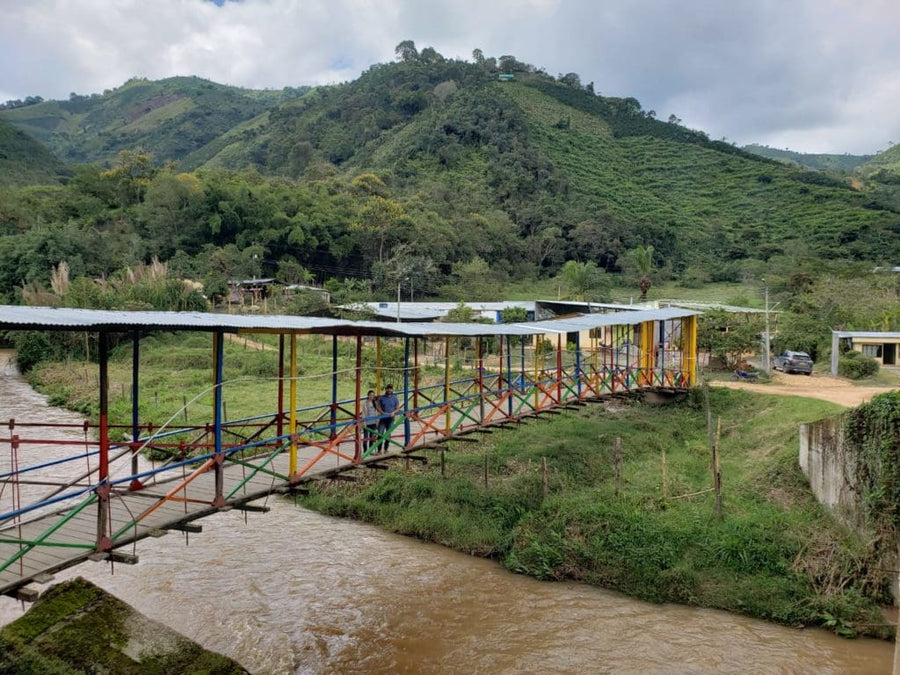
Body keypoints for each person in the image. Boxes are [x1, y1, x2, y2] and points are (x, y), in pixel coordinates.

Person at [376, 384, 399, 453]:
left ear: (392, 390)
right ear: (385, 389)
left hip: (391, 418)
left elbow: (397, 408)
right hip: (383, 418)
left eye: (390, 388)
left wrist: (393, 412)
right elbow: (378, 407)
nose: (389, 390)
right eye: (388, 388)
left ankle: (386, 449)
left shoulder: (395, 398)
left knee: (388, 434)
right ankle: (379, 450)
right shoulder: (382, 398)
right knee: (380, 434)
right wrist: (382, 413)